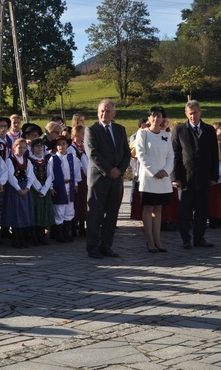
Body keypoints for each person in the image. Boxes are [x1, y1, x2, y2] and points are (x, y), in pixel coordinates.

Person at [84, 99, 131, 259]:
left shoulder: (119, 129)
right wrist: (109, 170)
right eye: (102, 111)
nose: (104, 114)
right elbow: (93, 153)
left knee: (112, 214)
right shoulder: (91, 130)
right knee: (95, 214)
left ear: (114, 113)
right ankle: (93, 246)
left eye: (108, 111)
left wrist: (120, 170)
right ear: (98, 112)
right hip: (99, 179)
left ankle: (106, 246)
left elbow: (126, 153)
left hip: (116, 179)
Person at [171, 100, 219, 249]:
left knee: (201, 211)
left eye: (195, 113)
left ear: (200, 112)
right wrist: (175, 177)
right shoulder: (179, 130)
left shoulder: (209, 130)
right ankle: (186, 239)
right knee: (184, 211)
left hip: (203, 178)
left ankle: (199, 238)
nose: (193, 116)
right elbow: (175, 155)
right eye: (190, 114)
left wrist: (213, 177)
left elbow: (213, 155)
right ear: (186, 114)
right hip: (186, 178)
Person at [135, 106, 173, 253]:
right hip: (149, 177)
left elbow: (171, 155)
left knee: (159, 208)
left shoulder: (166, 136)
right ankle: (150, 240)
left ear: (163, 118)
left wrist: (166, 170)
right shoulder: (143, 133)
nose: (156, 119)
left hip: (163, 178)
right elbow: (141, 154)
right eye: (153, 116)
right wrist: (153, 171)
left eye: (159, 116)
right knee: (148, 207)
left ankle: (158, 240)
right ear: (149, 118)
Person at [4, 138, 37, 247]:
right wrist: (18, 189)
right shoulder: (10, 160)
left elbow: (31, 175)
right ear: (14, 148)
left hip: (25, 188)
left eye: (24, 148)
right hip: (15, 189)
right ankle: (15, 239)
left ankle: (22, 239)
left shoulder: (27, 161)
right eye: (20, 147)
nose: (22, 150)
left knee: (24, 213)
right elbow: (10, 176)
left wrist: (27, 188)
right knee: (16, 214)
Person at [49, 135, 82, 243]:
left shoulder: (72, 158)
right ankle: (59, 235)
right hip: (59, 186)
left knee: (69, 209)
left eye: (63, 144)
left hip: (70, 185)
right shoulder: (53, 159)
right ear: (56, 146)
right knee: (59, 210)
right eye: (59, 144)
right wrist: (51, 187)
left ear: (67, 145)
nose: (61, 146)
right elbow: (50, 175)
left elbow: (76, 171)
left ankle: (66, 233)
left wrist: (76, 183)